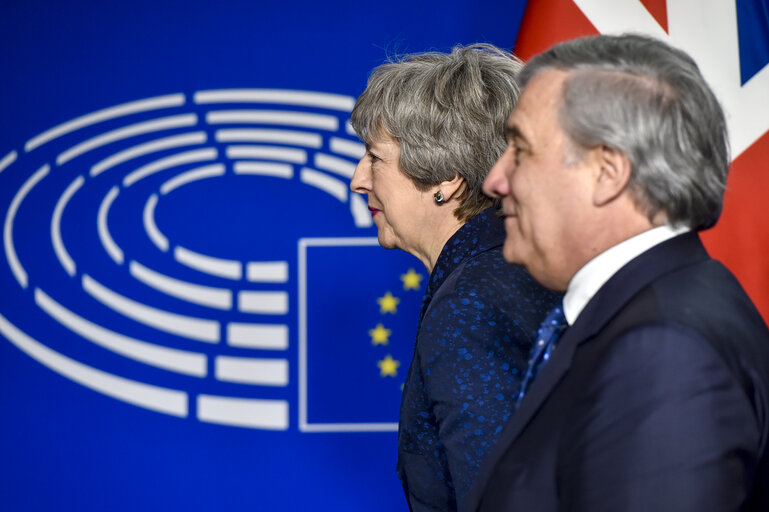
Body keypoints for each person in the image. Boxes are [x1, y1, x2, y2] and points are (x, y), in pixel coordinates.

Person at [472, 34, 769, 511]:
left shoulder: (661, 350)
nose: (495, 179)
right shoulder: (651, 312)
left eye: (520, 149)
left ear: (607, 173)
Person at [349, 44, 561, 511]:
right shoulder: (507, 270)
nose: (358, 179)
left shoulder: (475, 302)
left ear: (446, 178)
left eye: (374, 157)